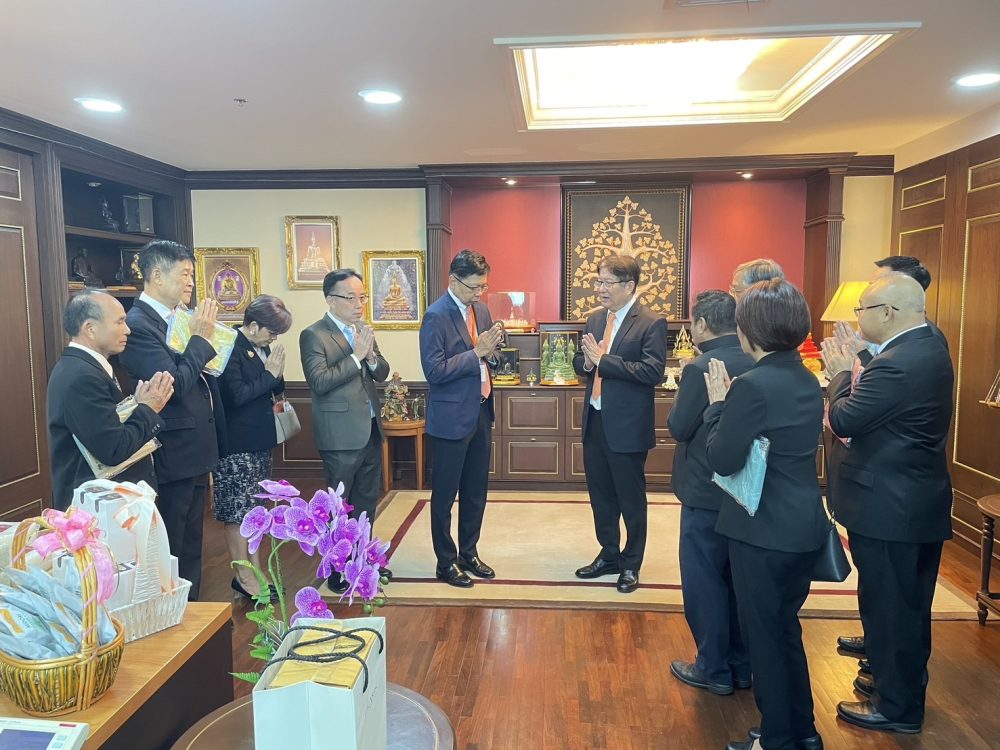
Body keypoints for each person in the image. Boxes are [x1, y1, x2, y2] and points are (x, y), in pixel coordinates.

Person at [822, 274, 953, 735]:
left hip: (890, 508)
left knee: (893, 609)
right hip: (914, 502)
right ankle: (895, 685)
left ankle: (897, 707)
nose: (858, 318)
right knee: (906, 606)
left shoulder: (896, 364)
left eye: (862, 309)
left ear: (888, 313)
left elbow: (844, 418)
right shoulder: (929, 344)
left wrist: (841, 373)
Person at [704, 279, 827, 750]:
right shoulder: (806, 377)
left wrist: (717, 408)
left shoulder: (753, 386)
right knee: (785, 630)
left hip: (762, 530)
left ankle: (776, 738)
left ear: (748, 330)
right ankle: (803, 732)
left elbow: (722, 459)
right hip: (802, 525)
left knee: (765, 639)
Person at [118, 240, 225, 601]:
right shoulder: (138, 326)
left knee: (192, 543)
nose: (191, 282)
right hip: (170, 449)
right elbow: (174, 386)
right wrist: (199, 339)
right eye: (184, 274)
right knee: (171, 544)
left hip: (194, 447)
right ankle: (170, 613)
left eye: (192, 275)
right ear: (157, 275)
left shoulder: (179, 318)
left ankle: (192, 615)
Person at [667, 290, 755, 695]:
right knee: (737, 580)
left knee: (703, 580)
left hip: (704, 491)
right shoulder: (755, 361)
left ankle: (712, 668)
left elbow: (679, 426)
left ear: (701, 324)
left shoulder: (701, 367)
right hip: (745, 492)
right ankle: (741, 665)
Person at [571, 254, 668, 594]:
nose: (600, 288)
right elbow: (582, 362)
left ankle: (631, 563)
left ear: (629, 286)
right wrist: (586, 363)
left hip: (628, 426)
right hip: (595, 419)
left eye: (607, 282)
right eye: (598, 281)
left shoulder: (651, 322)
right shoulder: (595, 319)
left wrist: (604, 361)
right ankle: (609, 554)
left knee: (630, 499)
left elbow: (652, 372)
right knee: (600, 495)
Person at [300, 269, 391, 593]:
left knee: (366, 503)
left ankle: (361, 561)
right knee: (338, 507)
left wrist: (370, 357)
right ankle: (337, 569)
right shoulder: (314, 335)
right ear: (330, 299)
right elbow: (319, 381)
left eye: (362, 297)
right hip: (339, 435)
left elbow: (382, 372)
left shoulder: (362, 330)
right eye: (350, 297)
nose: (359, 304)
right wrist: (356, 356)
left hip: (369, 428)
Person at [419, 249, 503, 588]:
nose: (479, 293)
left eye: (483, 286)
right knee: (444, 496)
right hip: (450, 419)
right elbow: (434, 371)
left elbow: (492, 354)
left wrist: (492, 354)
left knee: (475, 491)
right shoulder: (435, 316)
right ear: (454, 281)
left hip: (481, 411)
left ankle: (469, 552)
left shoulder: (480, 310)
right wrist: (477, 353)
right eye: (474, 287)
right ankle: (445, 561)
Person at [46, 290, 173, 509]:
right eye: (120, 322)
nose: (128, 330)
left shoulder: (86, 367)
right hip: (97, 510)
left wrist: (135, 405)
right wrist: (147, 409)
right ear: (90, 329)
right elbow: (113, 449)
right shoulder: (81, 377)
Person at [216, 295, 292, 600]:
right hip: (237, 446)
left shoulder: (261, 347)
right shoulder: (230, 347)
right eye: (271, 332)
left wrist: (276, 375)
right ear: (254, 325)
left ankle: (258, 573)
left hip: (259, 441)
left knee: (256, 512)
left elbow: (273, 386)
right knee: (238, 513)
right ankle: (244, 578)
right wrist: (268, 375)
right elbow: (234, 396)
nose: (274, 339)